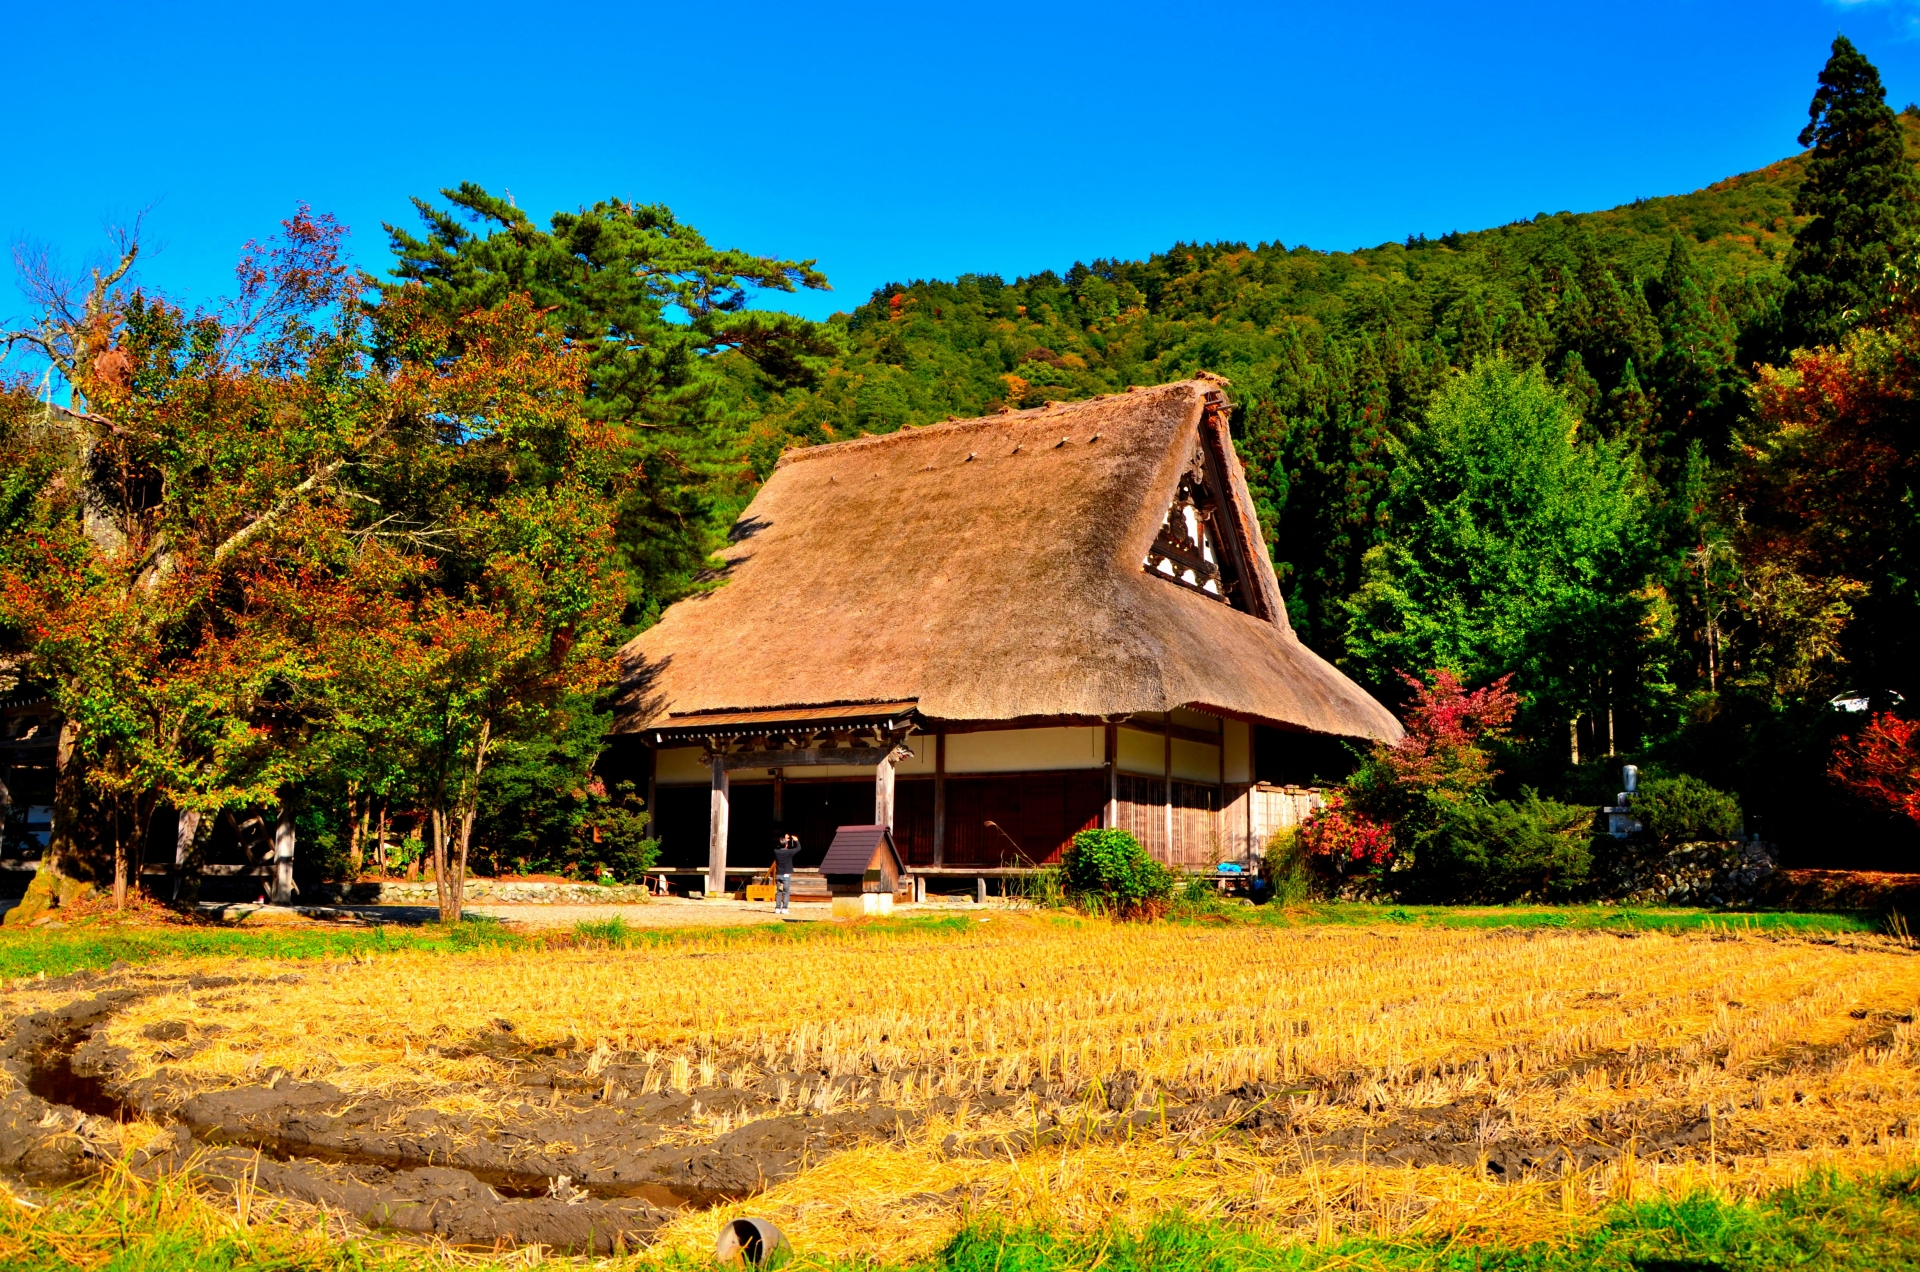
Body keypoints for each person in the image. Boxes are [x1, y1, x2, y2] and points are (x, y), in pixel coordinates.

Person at [772, 833, 800, 916]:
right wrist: (796, 841)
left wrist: (783, 839)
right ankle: (784, 908)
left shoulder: (776, 851)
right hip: (786, 875)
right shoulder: (789, 852)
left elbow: (777, 845)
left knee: (779, 892)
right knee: (786, 892)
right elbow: (798, 848)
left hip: (778, 875)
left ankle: (777, 908)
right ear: (786, 845)